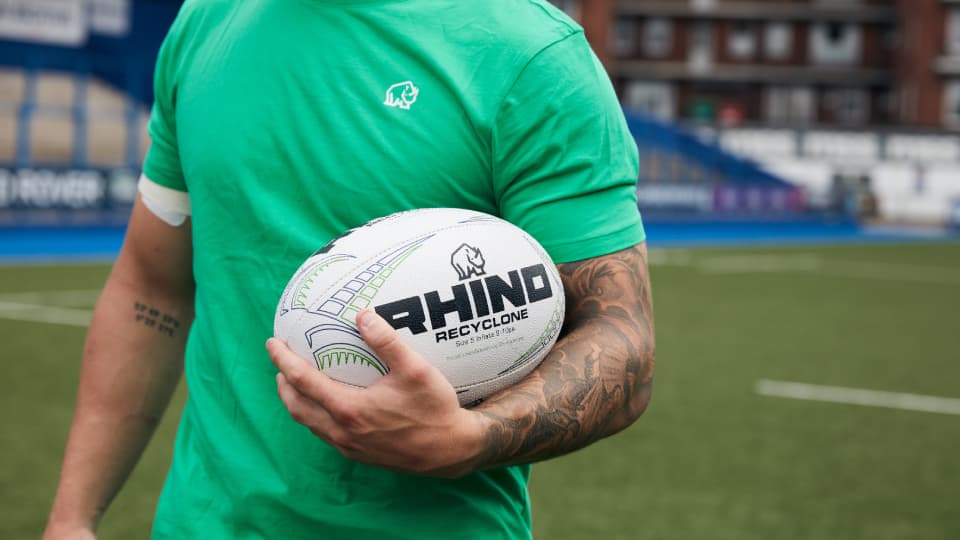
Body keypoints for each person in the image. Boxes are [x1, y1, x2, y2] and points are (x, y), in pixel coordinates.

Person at [43, 1, 656, 538]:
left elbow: (620, 344)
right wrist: (71, 517)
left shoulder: (530, 54)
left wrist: (469, 439)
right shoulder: (206, 21)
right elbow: (151, 291)